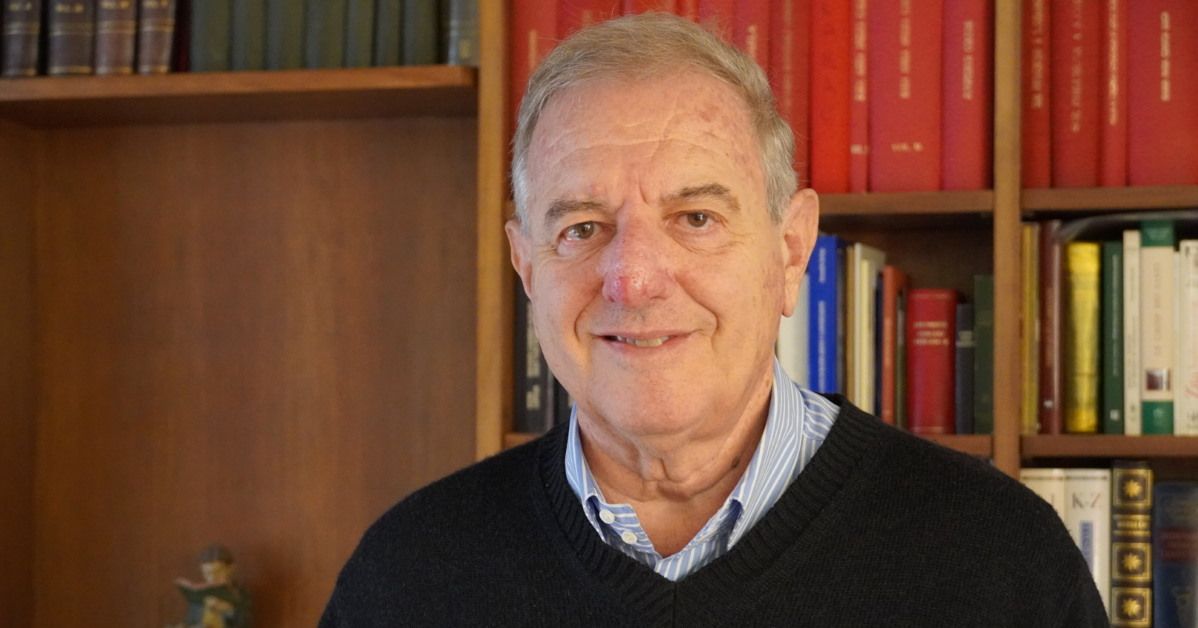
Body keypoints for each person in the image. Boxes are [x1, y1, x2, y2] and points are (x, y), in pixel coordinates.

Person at [321, 13, 1106, 626]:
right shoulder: (406, 578)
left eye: (695, 218)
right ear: (527, 268)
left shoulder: (1001, 562)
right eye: (582, 228)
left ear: (791, 250)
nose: (634, 279)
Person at [172, 544, 251, 628]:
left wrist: (229, 610)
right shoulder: (200, 594)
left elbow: (246, 623)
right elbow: (191, 621)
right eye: (207, 573)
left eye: (218, 571)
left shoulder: (241, 594)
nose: (212, 578)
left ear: (230, 569)